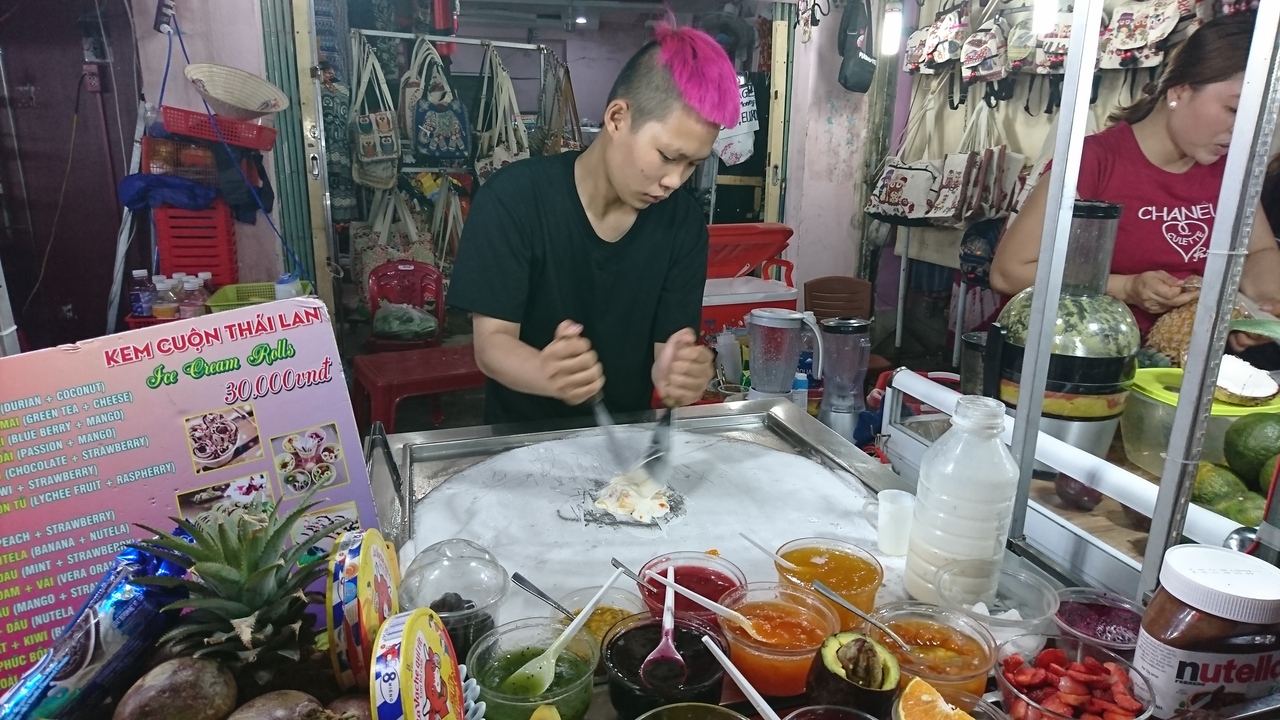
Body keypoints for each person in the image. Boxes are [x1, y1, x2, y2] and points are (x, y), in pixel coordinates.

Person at [447, 21, 740, 425]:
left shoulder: (682, 224)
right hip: (521, 441)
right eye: (668, 157)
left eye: (693, 163)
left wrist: (679, 373)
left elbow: (668, 350)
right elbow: (492, 345)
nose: (675, 180)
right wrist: (545, 371)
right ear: (617, 118)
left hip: (626, 447)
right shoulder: (514, 199)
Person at [991, 11, 1280, 354]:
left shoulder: (1230, 170)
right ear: (1180, 91)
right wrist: (1125, 287)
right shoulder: (1094, 161)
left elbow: (1259, 251)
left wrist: (1265, 308)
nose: (1245, 130)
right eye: (1234, 111)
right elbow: (1009, 272)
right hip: (1085, 360)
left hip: (1180, 368)